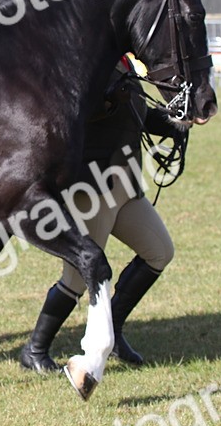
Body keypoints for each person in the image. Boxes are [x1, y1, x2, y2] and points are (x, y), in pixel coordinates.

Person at [19, 56, 188, 372]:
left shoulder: (122, 62)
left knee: (159, 252)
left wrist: (176, 122)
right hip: (92, 190)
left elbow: (137, 115)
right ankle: (35, 350)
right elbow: (71, 114)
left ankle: (114, 329)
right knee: (76, 278)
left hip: (126, 185)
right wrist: (109, 101)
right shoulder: (85, 61)